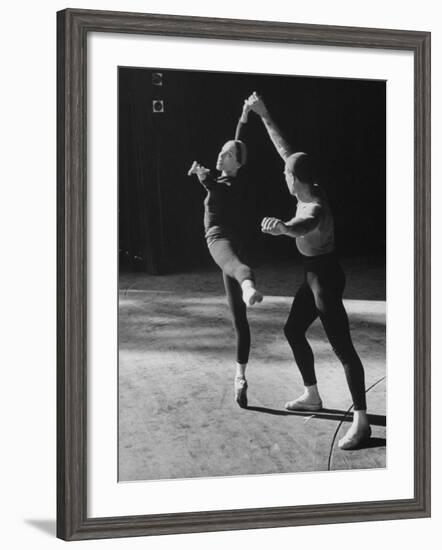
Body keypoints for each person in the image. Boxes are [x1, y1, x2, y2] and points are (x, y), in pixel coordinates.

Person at [246, 92, 371, 450]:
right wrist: (263, 113)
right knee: (293, 329)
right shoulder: (308, 185)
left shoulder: (313, 205)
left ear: (294, 179)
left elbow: (303, 225)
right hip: (314, 275)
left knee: (344, 350)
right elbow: (284, 149)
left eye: (285, 173)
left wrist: (283, 228)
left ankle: (361, 423)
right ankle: (312, 396)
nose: (282, 173)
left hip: (325, 280)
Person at [188, 100, 263, 408]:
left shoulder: (231, 182)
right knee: (239, 321)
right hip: (235, 245)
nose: (221, 155)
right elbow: (235, 140)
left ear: (238, 163)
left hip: (219, 239)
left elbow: (218, 191)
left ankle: (248, 286)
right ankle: (240, 376)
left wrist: (202, 177)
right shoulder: (229, 171)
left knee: (235, 267)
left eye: (228, 154)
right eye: (221, 151)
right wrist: (243, 117)